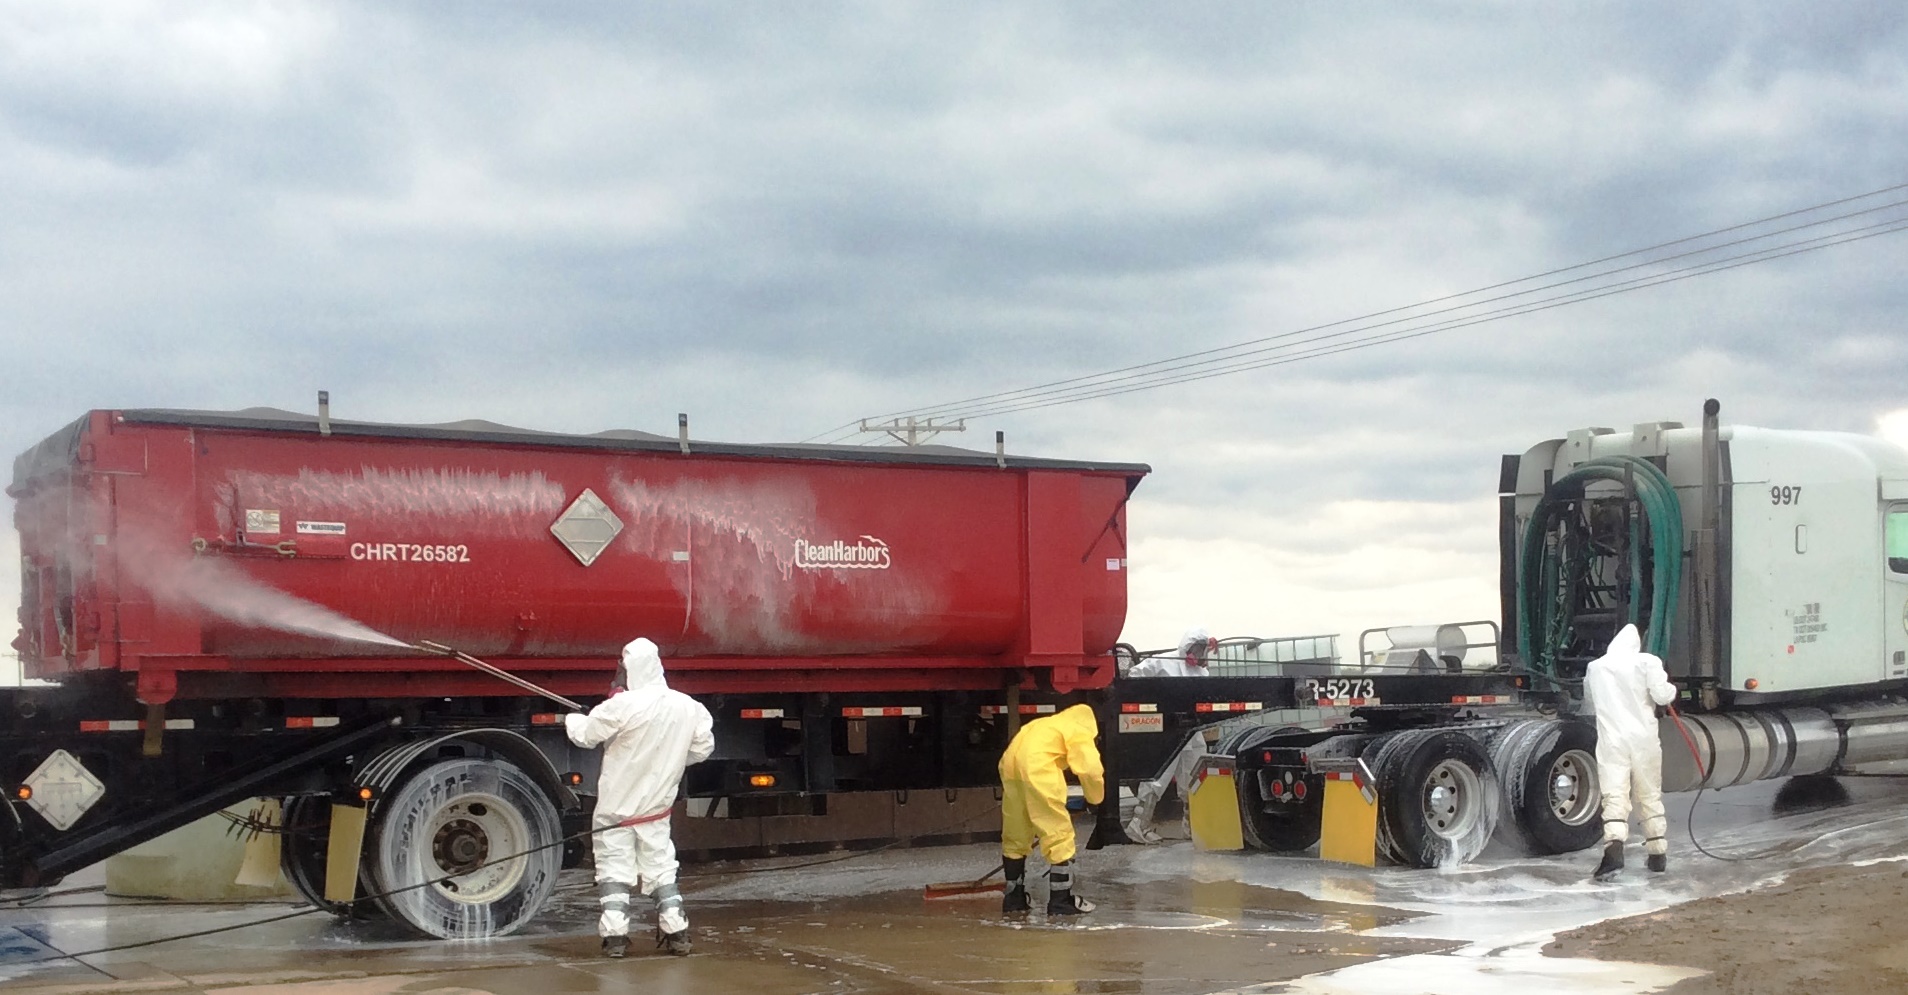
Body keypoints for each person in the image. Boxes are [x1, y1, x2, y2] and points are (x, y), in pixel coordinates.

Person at [566, 637, 715, 958]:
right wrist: (671, 758)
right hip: (656, 811)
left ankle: (616, 938)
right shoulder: (689, 706)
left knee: (613, 870)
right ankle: (677, 933)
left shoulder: (622, 705)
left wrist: (574, 718)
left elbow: (584, 735)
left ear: (630, 669)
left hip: (615, 812)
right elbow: (702, 749)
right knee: (661, 867)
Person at [1583, 623, 1677, 881]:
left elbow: (1589, 702)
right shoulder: (1647, 662)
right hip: (1643, 738)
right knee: (1648, 793)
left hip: (1612, 739)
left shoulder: (1596, 667)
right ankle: (1657, 854)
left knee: (1615, 794)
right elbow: (1662, 696)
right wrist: (1672, 690)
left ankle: (1613, 851)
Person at [998, 701, 1105, 916]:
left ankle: (1014, 898)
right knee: (1057, 831)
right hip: (1038, 767)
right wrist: (1095, 799)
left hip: (1009, 765)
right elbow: (1090, 770)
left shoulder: (1043, 724)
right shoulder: (1079, 729)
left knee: (1016, 830)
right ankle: (1061, 900)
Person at [1127, 627, 1218, 677]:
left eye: (1201, 650)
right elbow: (1134, 674)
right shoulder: (1161, 661)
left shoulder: (1202, 672)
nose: (1198, 654)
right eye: (1196, 649)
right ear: (1187, 645)